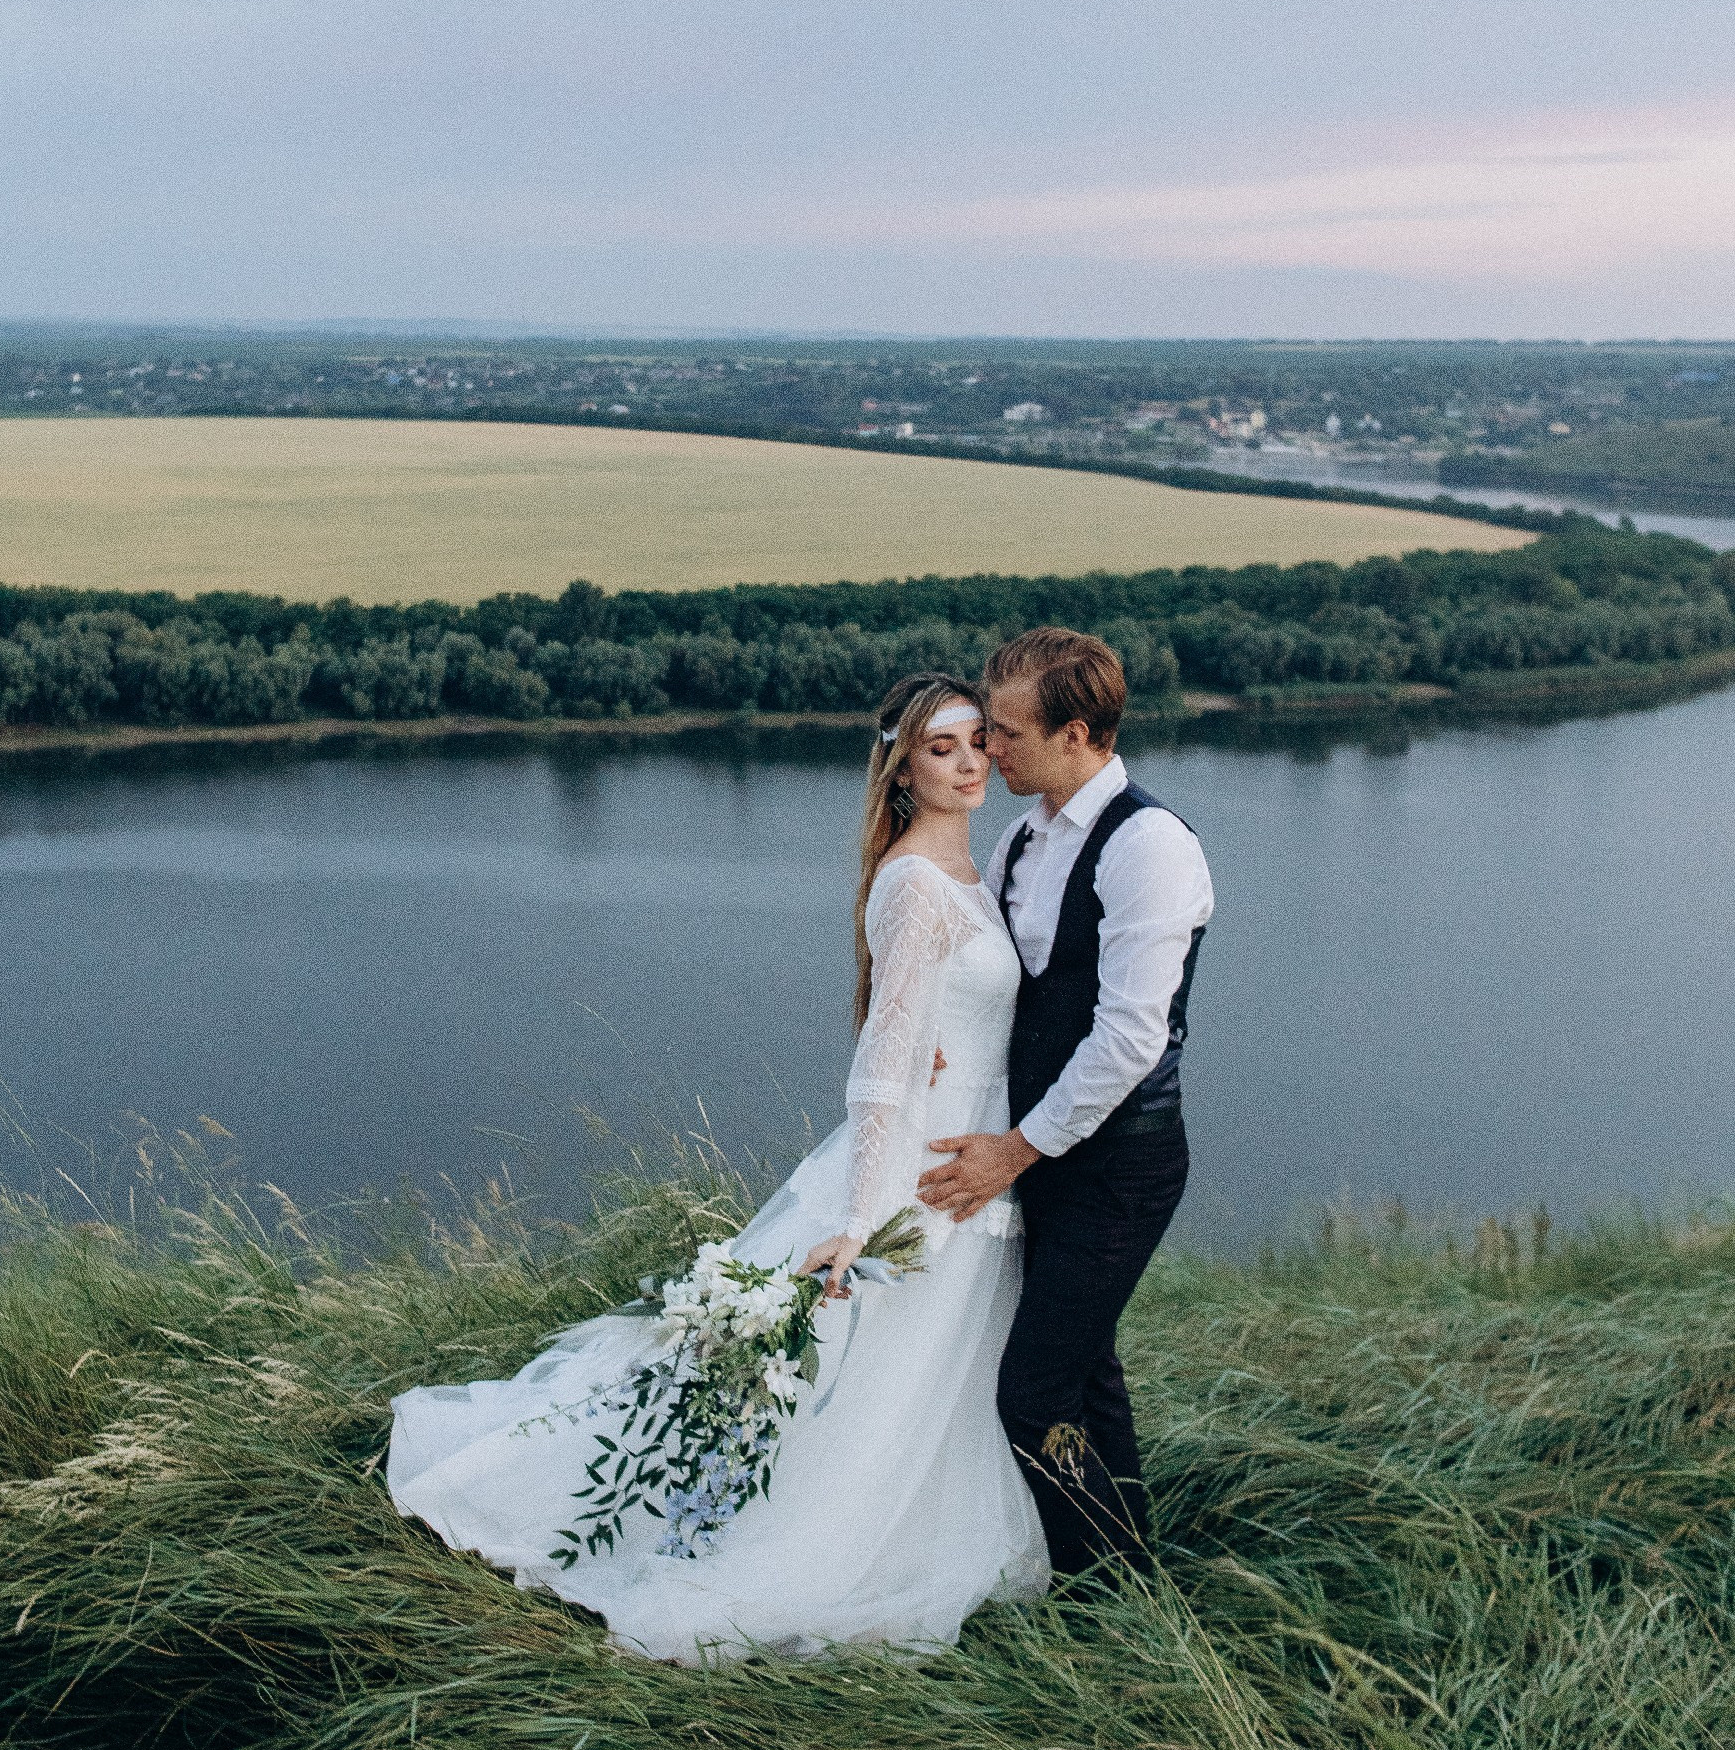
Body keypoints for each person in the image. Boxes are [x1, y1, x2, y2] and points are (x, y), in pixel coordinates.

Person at [384, 672, 1049, 1662]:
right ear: (899, 770)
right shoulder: (915, 883)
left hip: (974, 1152)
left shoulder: (970, 871)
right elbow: (877, 1075)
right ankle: (788, 1542)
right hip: (924, 1169)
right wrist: (864, 1220)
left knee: (932, 1376)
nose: (967, 763)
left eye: (973, 742)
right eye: (939, 748)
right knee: (871, 1378)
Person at [918, 629, 1213, 1584]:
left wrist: (1013, 1152)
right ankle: (1131, 1581)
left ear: (1077, 733)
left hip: (1119, 1167)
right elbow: (1010, 987)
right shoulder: (1024, 834)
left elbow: (1131, 1039)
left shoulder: (1150, 847)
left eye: (1005, 733)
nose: (987, 750)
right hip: (1045, 1157)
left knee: (1033, 1394)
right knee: (1087, 1377)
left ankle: (1093, 1580)